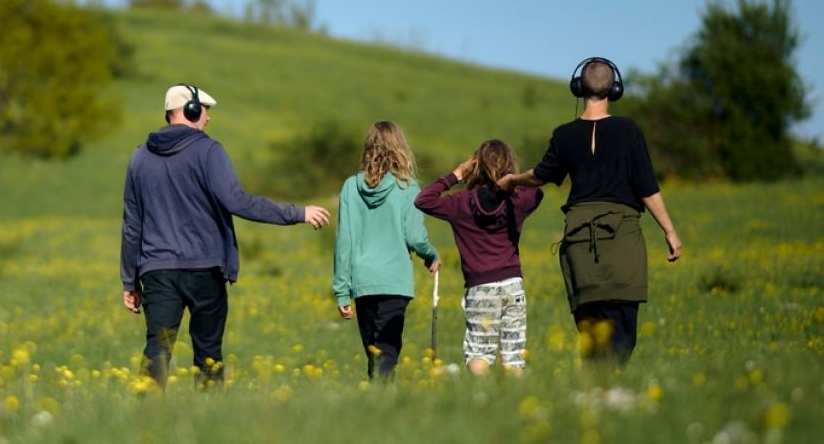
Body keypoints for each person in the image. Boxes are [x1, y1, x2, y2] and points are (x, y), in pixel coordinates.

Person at [120, 84, 331, 389]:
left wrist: (130, 280)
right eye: (205, 110)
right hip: (205, 269)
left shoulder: (138, 158)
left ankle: (146, 417)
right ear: (192, 111)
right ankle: (208, 421)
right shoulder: (208, 150)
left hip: (157, 270)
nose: (208, 118)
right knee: (208, 352)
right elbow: (237, 201)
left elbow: (132, 225)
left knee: (157, 348)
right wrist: (297, 213)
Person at [499, 57, 682, 367]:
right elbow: (647, 188)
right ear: (615, 89)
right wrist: (670, 231)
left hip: (579, 243)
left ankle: (593, 397)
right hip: (622, 240)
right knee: (623, 336)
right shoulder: (629, 130)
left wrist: (512, 179)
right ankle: (610, 396)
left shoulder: (564, 135)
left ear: (578, 88)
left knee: (591, 336)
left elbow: (540, 175)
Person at [415, 139, 542, 376]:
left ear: (475, 167)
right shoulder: (517, 201)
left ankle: (481, 398)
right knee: (514, 356)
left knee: (479, 354)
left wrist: (457, 174)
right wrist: (514, 180)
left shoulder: (460, 203)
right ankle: (512, 404)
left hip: (480, 287)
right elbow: (538, 191)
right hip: (513, 284)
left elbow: (423, 200)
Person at [332, 121, 441, 381]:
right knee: (388, 352)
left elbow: (344, 241)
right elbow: (414, 236)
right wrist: (431, 254)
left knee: (373, 353)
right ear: (400, 148)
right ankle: (382, 402)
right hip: (394, 282)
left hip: (363, 282)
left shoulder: (350, 187)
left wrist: (341, 291)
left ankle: (376, 405)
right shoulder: (408, 187)